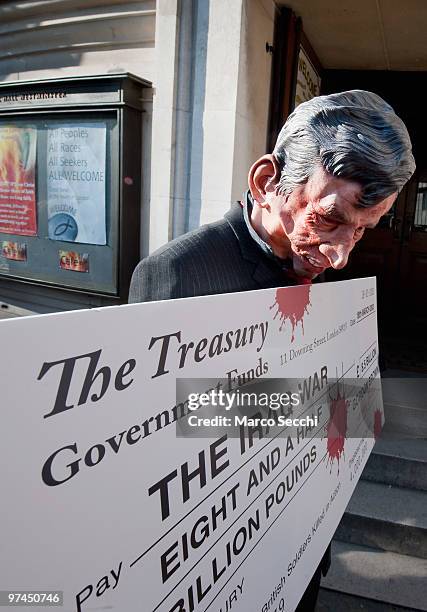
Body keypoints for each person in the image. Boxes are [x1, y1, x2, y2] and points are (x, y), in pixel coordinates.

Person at [129, 90, 415, 610]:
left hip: (304, 540)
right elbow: (159, 432)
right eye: (329, 218)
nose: (340, 254)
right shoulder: (180, 271)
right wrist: (332, 403)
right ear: (266, 182)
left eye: (363, 231)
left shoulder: (327, 275)